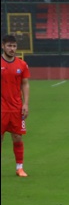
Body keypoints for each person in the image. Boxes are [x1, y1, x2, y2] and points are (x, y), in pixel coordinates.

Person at [1, 34, 31, 177]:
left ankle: (19, 168)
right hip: (1, 108)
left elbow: (25, 84)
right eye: (9, 46)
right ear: (3, 46)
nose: (12, 49)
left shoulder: (22, 64)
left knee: (17, 137)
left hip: (16, 107)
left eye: (14, 46)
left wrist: (25, 104)